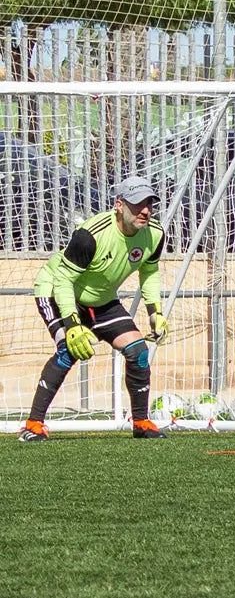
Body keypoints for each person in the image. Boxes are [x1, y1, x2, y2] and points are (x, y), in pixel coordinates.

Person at [19, 176, 170, 441]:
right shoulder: (90, 235)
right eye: (137, 204)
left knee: (138, 352)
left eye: (149, 203)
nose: (145, 210)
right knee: (69, 349)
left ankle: (142, 423)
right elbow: (63, 280)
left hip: (102, 300)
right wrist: (72, 325)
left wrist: (155, 311)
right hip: (56, 291)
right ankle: (33, 425)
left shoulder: (155, 234)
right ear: (119, 205)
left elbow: (149, 272)